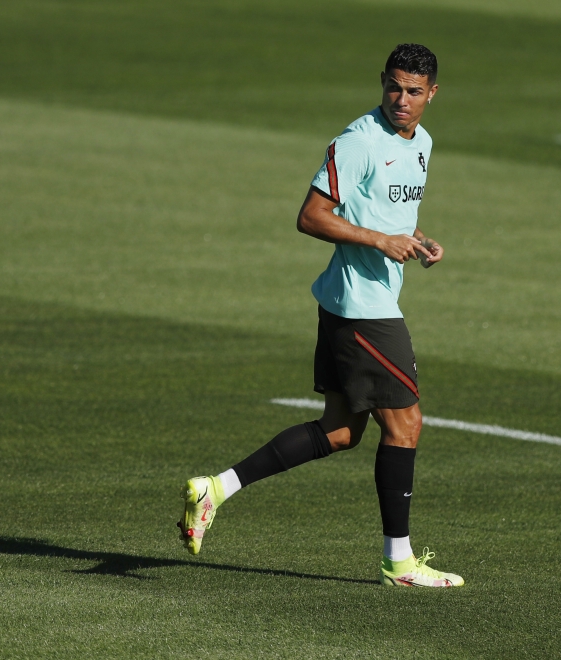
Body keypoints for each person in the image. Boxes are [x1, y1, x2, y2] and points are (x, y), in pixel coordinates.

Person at [177, 43, 463, 588]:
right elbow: (311, 216)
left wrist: (418, 239)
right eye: (393, 87)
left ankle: (215, 489)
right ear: (382, 82)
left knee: (339, 432)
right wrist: (379, 241)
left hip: (348, 303)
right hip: (363, 308)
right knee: (405, 425)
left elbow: (387, 213)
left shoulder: (422, 143)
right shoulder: (359, 141)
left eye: (413, 91)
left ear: (432, 93)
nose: (401, 100)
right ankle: (399, 562)